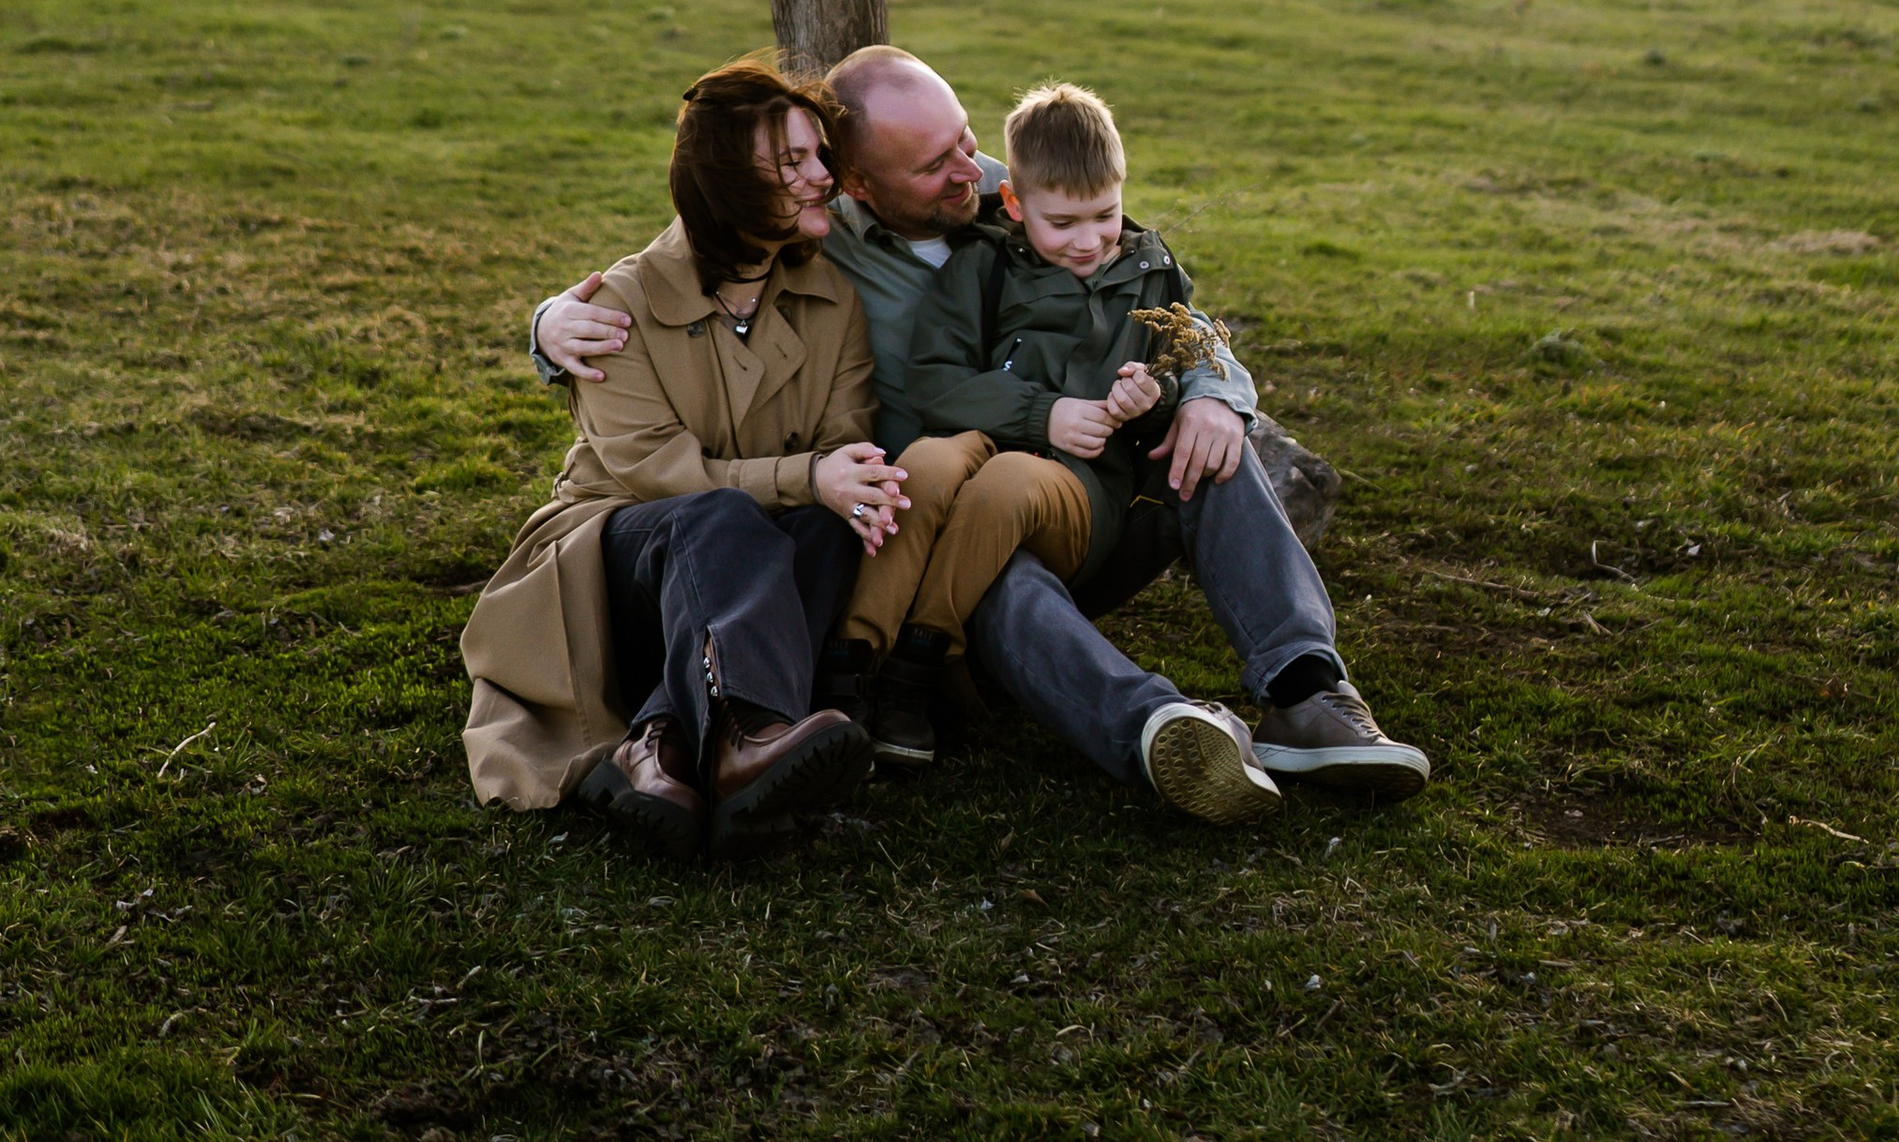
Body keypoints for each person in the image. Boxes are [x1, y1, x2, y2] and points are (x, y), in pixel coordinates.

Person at [528, 46, 1429, 808]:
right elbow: (687, 254)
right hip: (940, 512)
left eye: (965, 141)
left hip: (1093, 491)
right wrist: (546, 328)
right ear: (854, 183)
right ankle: (1156, 729)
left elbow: (1154, 285)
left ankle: (1308, 692)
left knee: (1208, 449)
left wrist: (1211, 390)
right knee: (988, 548)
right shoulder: (809, 232)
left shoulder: (1010, 192)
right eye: (933, 167)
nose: (970, 173)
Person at [462, 59, 990, 855]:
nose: (824, 177)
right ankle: (747, 735)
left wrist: (843, 480)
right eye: (794, 163)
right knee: (720, 515)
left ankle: (675, 741)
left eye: (819, 154)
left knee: (830, 528)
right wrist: (807, 476)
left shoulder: (829, 297)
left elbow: (844, 438)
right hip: (619, 558)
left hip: (745, 574)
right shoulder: (618, 307)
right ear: (727, 187)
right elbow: (656, 475)